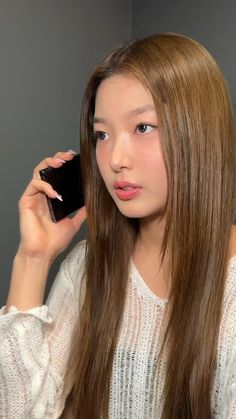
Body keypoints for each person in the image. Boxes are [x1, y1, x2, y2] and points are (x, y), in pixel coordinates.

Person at [0, 32, 236, 419]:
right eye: (102, 135)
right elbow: (22, 412)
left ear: (198, 133)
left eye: (142, 127)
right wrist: (33, 257)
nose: (114, 159)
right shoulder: (89, 266)